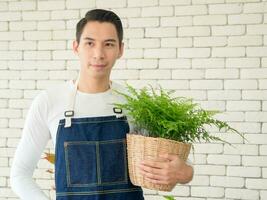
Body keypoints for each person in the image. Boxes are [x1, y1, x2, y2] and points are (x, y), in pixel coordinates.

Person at [10, 9, 193, 200]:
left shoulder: (135, 103)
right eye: (90, 43)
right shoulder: (49, 101)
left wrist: (185, 172)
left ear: (120, 50)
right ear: (76, 47)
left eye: (108, 44)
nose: (98, 54)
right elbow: (19, 175)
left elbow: (178, 163)